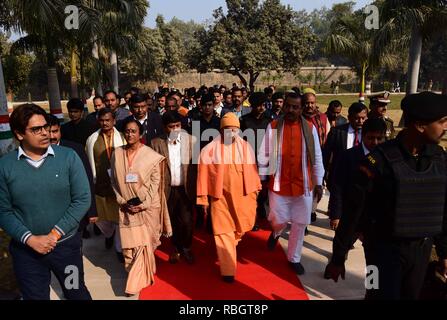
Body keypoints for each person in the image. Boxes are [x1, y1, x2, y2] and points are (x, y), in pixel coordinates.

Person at [324, 91, 447, 300]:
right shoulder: (376, 162)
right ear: (420, 125)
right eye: (442, 121)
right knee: (374, 294)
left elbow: (442, 208)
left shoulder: (439, 159)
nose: (445, 127)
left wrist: (444, 252)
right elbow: (354, 212)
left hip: (421, 252)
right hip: (379, 253)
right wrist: (338, 257)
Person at [0, 104, 91, 300]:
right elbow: (3, 211)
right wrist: (30, 239)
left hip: (66, 249)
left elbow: (82, 199)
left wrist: (54, 234)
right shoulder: (5, 166)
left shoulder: (68, 157)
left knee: (75, 292)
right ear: (19, 134)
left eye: (45, 127)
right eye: (36, 129)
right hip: (27, 253)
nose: (45, 133)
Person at [258, 92, 324, 275]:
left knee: (300, 223)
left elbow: (317, 157)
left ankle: (294, 258)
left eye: (295, 107)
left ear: (301, 109)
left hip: (303, 185)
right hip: (279, 184)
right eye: (287, 106)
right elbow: (263, 155)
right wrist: (262, 180)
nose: (290, 110)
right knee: (276, 218)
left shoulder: (309, 128)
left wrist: (318, 182)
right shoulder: (273, 127)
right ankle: (277, 232)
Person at [197, 112, 261, 282]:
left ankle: (231, 247)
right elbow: (203, 176)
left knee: (240, 229)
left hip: (243, 197)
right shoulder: (209, 150)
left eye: (234, 129)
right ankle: (228, 271)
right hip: (221, 199)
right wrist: (203, 199)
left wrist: (256, 189)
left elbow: (253, 170)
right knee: (223, 231)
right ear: (221, 130)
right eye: (227, 129)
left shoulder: (246, 147)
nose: (231, 132)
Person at [111, 118, 172, 296]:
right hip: (125, 208)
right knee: (130, 247)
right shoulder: (117, 154)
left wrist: (143, 205)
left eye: (133, 131)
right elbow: (113, 180)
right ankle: (143, 270)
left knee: (145, 244)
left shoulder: (151, 156)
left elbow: (155, 184)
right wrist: (122, 200)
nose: (130, 134)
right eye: (127, 131)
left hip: (147, 208)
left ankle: (134, 284)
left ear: (140, 134)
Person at [150, 112, 197, 264]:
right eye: (171, 127)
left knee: (187, 221)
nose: (175, 129)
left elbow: (197, 167)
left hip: (185, 189)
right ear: (165, 128)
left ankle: (187, 247)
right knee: (171, 221)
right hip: (166, 189)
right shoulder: (156, 143)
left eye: (178, 126)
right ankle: (176, 248)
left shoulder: (191, 141)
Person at [328, 118, 387, 231]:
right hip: (350, 214)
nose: (375, 142)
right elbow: (338, 186)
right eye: (370, 138)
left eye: (379, 138)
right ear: (362, 136)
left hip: (376, 216)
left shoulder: (388, 158)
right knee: (342, 246)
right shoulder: (347, 156)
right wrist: (336, 215)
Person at [47, 115, 98, 239]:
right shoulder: (36, 152)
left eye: (55, 131)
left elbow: (87, 179)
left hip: (74, 210)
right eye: (48, 132)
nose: (52, 136)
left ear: (60, 129)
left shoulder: (75, 149)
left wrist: (92, 211)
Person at [85, 108, 126, 260]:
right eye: (102, 120)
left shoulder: (123, 137)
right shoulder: (92, 140)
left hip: (119, 186)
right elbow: (89, 163)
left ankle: (119, 249)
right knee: (102, 220)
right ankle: (108, 234)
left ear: (114, 121)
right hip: (100, 185)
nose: (105, 123)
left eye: (108, 120)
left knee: (119, 220)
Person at [240, 92, 273, 231]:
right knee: (251, 191)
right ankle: (252, 218)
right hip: (248, 160)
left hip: (265, 160)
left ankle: (261, 210)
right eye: (258, 105)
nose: (261, 108)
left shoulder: (269, 121)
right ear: (252, 106)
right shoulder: (244, 120)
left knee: (263, 190)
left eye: (263, 105)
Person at [323, 102, 368, 193]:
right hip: (339, 182)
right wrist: (322, 177)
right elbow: (326, 156)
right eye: (357, 118)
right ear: (349, 117)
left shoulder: (369, 134)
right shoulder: (337, 132)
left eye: (363, 118)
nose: (360, 121)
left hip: (363, 183)